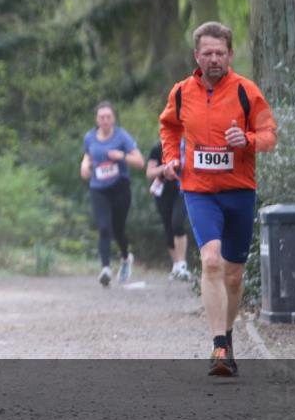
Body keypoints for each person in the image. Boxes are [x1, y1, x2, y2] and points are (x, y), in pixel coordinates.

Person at [159, 21, 277, 377]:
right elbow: (169, 126)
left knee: (234, 274)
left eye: (220, 53)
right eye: (207, 53)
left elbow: (270, 134)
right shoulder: (181, 92)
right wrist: (170, 158)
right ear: (196, 55)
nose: (213, 59)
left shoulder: (247, 92)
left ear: (230, 55)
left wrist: (249, 140)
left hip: (239, 189)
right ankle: (218, 345)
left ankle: (226, 334)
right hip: (199, 191)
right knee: (211, 261)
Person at [80, 102, 145, 287]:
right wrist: (84, 165)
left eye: (108, 117)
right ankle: (106, 268)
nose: (105, 120)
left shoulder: (122, 137)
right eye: (102, 117)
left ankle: (126, 258)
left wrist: (122, 156)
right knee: (103, 227)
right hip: (98, 188)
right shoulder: (90, 137)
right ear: (97, 119)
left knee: (118, 229)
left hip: (120, 188)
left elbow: (140, 162)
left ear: (113, 118)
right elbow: (88, 155)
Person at [146, 138, 191, 280]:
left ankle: (183, 264)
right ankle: (176, 265)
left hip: (182, 192)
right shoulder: (158, 147)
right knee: (168, 227)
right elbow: (149, 173)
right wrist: (165, 167)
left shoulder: (188, 145)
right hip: (163, 193)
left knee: (177, 224)